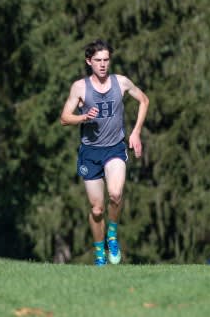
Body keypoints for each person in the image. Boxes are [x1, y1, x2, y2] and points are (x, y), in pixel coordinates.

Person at [60, 39, 149, 266]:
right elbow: (64, 118)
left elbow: (144, 100)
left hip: (115, 148)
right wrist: (83, 117)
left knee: (116, 194)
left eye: (106, 60)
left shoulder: (121, 82)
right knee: (97, 209)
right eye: (98, 60)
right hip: (90, 152)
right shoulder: (80, 87)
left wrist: (136, 132)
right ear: (89, 61)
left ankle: (112, 234)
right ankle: (99, 250)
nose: (102, 65)